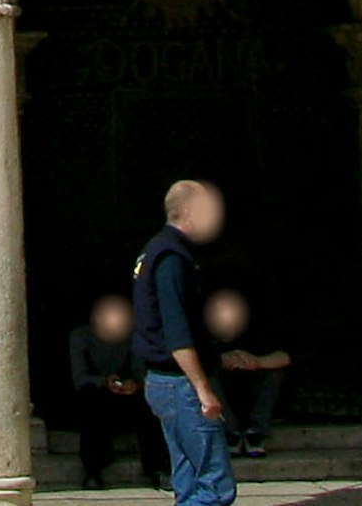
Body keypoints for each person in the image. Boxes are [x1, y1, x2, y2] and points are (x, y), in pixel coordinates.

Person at [130, 180, 233, 506]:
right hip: (180, 384)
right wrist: (203, 389)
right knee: (214, 487)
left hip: (164, 382)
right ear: (189, 212)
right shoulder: (173, 258)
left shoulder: (154, 251)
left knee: (188, 480)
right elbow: (177, 331)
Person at [66, 293, 167, 490]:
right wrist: (104, 382)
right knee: (92, 408)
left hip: (124, 395)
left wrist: (134, 384)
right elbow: (79, 378)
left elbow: (141, 372)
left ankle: (158, 468)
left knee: (150, 407)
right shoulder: (80, 337)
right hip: (94, 394)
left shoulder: (131, 337)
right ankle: (93, 471)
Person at [202, 290, 290, 459]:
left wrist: (256, 362)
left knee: (274, 372)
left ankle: (255, 434)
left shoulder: (258, 333)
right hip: (222, 401)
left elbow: (285, 356)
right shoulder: (203, 336)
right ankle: (230, 434)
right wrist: (218, 360)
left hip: (252, 395)